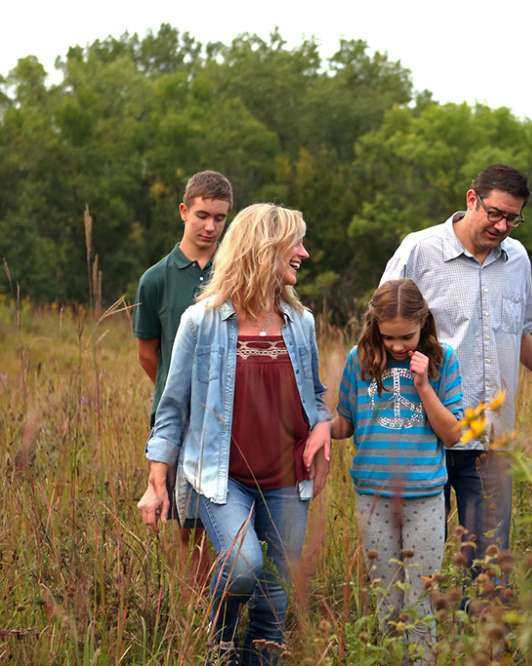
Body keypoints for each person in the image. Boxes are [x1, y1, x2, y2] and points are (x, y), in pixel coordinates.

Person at [137, 203, 332, 664]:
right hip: (221, 477)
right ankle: (220, 643)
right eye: (295, 243)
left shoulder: (300, 323)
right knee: (243, 567)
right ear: (265, 249)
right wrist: (156, 478)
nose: (303, 253)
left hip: (288, 477)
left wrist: (323, 424)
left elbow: (315, 394)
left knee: (275, 595)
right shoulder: (201, 321)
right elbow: (172, 407)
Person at [380, 164, 532, 569]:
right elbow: (382, 328)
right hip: (427, 434)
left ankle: (479, 613)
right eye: (495, 213)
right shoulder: (419, 250)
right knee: (418, 563)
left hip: (492, 437)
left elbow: (516, 332)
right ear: (471, 199)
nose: (502, 226)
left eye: (513, 218)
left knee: (490, 565)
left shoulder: (518, 259)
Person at [305, 278, 462, 663]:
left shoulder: (443, 360)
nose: (396, 346)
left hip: (424, 497)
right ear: (374, 325)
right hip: (373, 498)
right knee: (386, 599)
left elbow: (453, 434)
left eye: (406, 336)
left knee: (420, 600)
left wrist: (423, 386)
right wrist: (318, 427)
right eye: (388, 336)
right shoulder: (358, 360)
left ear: (423, 323)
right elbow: (346, 422)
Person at [133, 170, 233, 585]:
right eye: (202, 216)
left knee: (231, 519)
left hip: (229, 417)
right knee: (189, 530)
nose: (210, 227)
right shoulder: (156, 279)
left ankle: (231, 602)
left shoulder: (234, 273)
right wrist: (181, 395)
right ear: (183, 212)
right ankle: (199, 609)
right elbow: (148, 354)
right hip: (180, 420)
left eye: (220, 218)